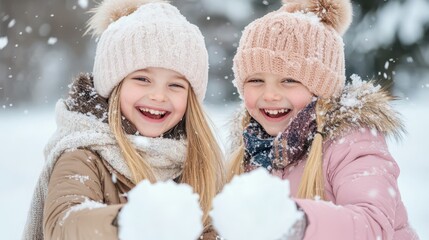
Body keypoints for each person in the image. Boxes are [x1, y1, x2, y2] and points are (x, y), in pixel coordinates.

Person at [22, 0, 225, 239]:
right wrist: (135, 220)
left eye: (175, 85)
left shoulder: (198, 160)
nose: (159, 95)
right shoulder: (83, 153)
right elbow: (64, 224)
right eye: (142, 79)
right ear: (114, 85)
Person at [226, 0, 419, 239]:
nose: (270, 95)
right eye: (256, 81)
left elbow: (373, 225)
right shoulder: (251, 149)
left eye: (289, 80)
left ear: (322, 89)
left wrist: (295, 220)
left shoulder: (351, 143)